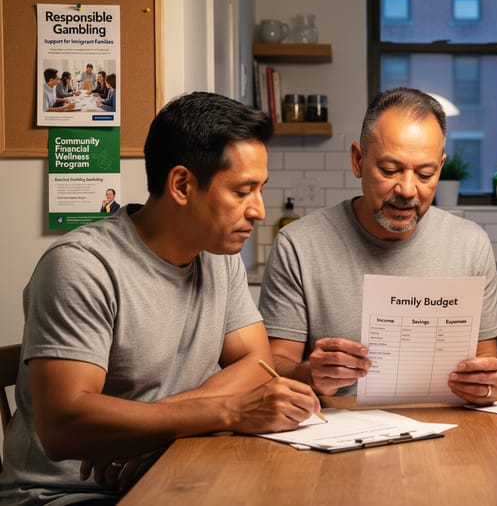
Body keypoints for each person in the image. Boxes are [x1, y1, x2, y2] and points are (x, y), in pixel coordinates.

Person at [0, 92, 323, 505]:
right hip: (69, 494)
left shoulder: (218, 257)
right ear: (182, 185)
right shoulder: (81, 267)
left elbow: (256, 365)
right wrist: (226, 412)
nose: (259, 210)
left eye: (260, 190)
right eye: (243, 191)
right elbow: (63, 427)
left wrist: (158, 429)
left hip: (167, 466)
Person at [258, 87, 497, 405]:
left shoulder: (471, 244)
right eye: (389, 171)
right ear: (358, 160)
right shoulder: (298, 245)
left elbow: (489, 362)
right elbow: (272, 366)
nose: (406, 189)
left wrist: (487, 384)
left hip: (448, 428)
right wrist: (311, 374)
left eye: (425, 173)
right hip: (339, 431)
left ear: (440, 168)